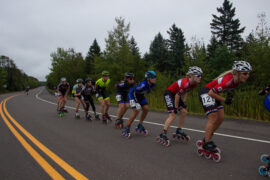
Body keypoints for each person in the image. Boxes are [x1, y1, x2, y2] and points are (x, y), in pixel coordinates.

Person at [197, 60, 252, 162]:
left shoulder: (237, 80)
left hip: (214, 94)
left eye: (248, 73)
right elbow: (210, 93)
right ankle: (207, 143)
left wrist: (229, 95)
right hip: (206, 93)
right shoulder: (228, 80)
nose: (247, 76)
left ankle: (207, 138)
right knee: (213, 117)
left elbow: (226, 89)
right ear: (237, 73)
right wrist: (225, 100)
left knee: (221, 118)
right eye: (245, 73)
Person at [157, 66, 203, 146]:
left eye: (201, 75)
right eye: (198, 75)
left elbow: (185, 92)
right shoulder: (185, 83)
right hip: (169, 94)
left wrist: (184, 102)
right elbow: (177, 96)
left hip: (176, 94)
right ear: (192, 76)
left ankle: (179, 129)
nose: (200, 77)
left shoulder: (194, 84)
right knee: (173, 115)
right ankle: (163, 133)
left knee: (184, 111)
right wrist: (175, 107)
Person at [122, 71, 157, 138]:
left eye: (155, 77)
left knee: (146, 109)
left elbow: (146, 91)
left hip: (140, 96)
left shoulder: (152, 84)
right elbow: (134, 92)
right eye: (153, 77)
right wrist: (136, 102)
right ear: (148, 78)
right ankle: (127, 127)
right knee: (136, 111)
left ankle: (140, 125)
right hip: (132, 95)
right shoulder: (143, 84)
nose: (154, 78)